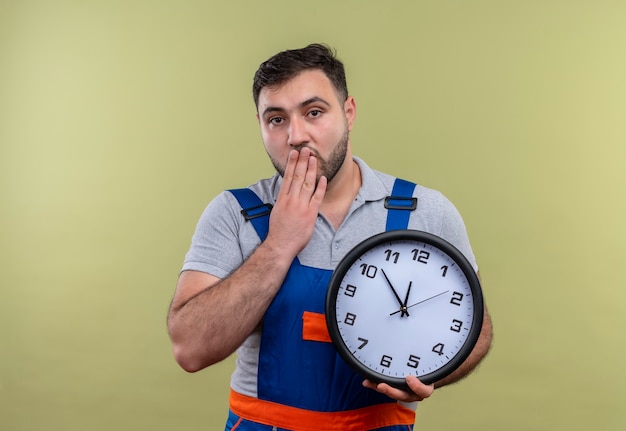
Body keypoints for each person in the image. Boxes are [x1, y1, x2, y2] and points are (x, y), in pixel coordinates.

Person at [167, 43, 492, 431]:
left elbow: (476, 330)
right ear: (260, 124)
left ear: (348, 113)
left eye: (314, 112)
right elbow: (189, 349)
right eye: (276, 119)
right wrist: (280, 243)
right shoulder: (233, 213)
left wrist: (431, 376)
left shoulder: (426, 211)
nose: (296, 135)